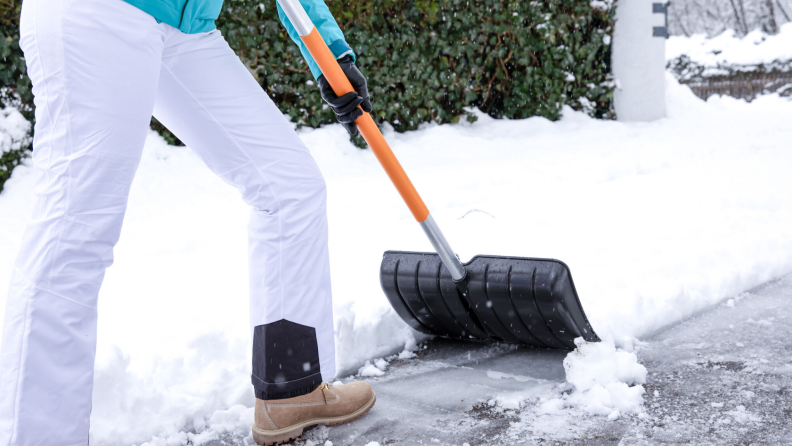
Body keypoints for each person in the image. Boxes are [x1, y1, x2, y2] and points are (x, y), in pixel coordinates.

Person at [0, 0, 375, 444]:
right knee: (75, 233)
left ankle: (289, 388)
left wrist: (331, 55)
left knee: (289, 186)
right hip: (102, 12)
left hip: (184, 24)